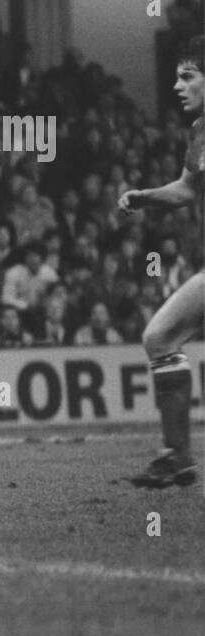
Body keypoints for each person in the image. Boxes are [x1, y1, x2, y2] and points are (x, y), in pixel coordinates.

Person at [116, 35, 203, 489]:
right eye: (175, 76)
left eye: (187, 76)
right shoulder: (201, 131)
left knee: (161, 336)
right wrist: (145, 196)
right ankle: (178, 457)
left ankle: (178, 456)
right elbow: (189, 190)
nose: (176, 85)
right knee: (162, 337)